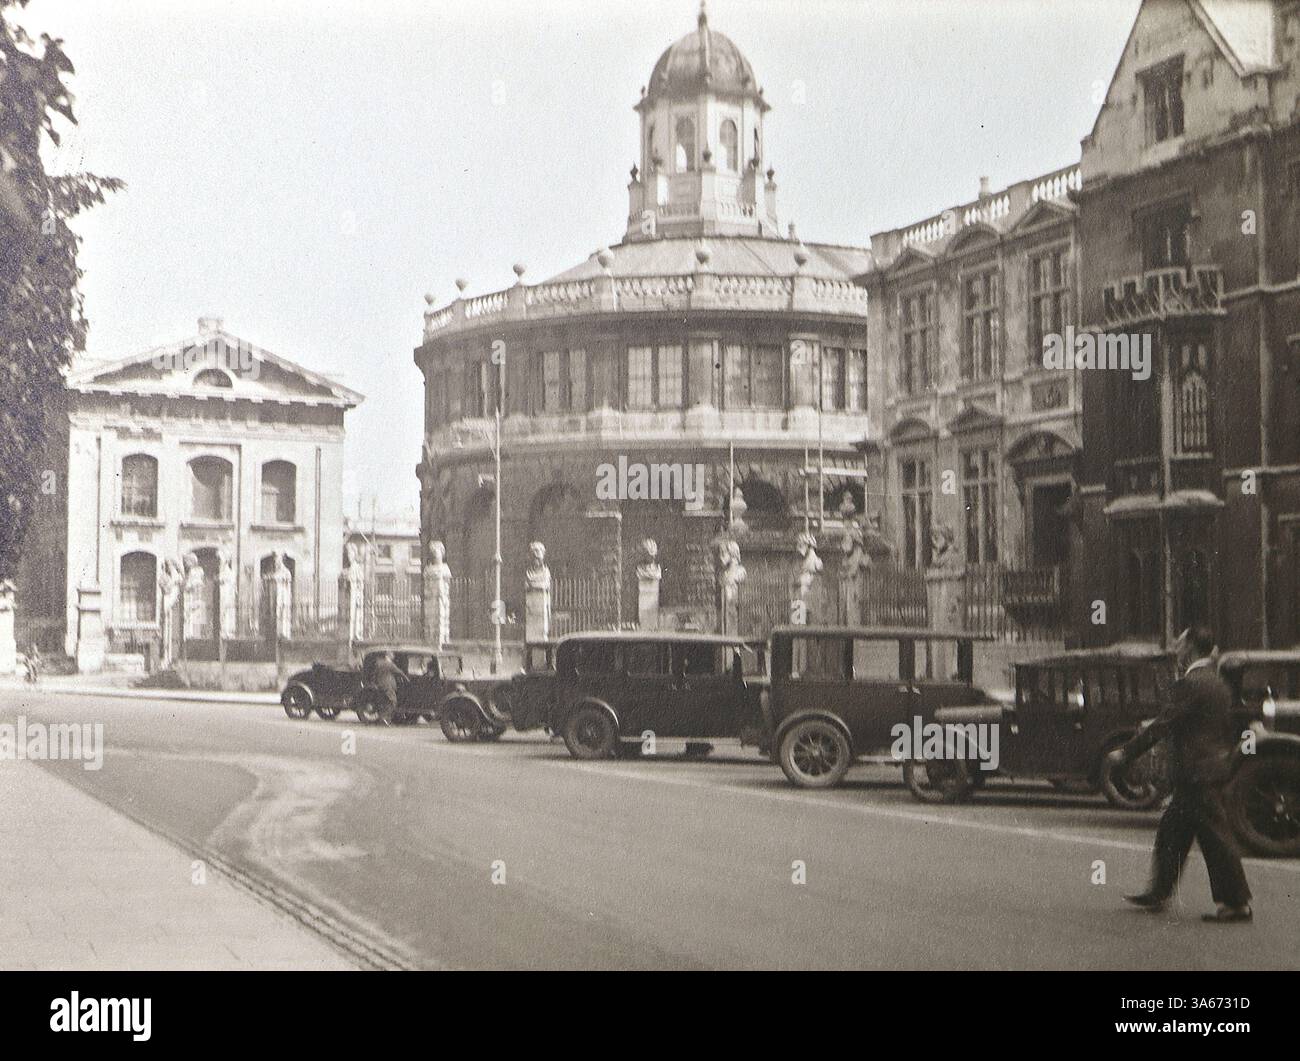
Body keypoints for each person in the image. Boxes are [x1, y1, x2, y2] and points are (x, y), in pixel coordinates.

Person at [1105, 625, 1252, 923]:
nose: (1176, 649)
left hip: (1196, 772)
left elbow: (1163, 724)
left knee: (1216, 838)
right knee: (1172, 832)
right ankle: (1159, 892)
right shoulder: (1217, 682)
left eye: (1181, 644)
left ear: (1191, 648)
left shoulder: (1192, 683)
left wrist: (1126, 752)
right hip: (1205, 770)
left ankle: (1235, 903)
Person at [370, 650, 407, 726]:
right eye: (392, 654)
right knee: (393, 702)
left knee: (384, 702)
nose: (393, 656)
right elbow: (399, 672)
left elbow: (374, 675)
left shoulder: (379, 663)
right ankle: (385, 718)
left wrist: (374, 683)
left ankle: (383, 719)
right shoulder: (389, 664)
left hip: (380, 685)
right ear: (388, 655)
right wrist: (407, 678)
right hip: (388, 686)